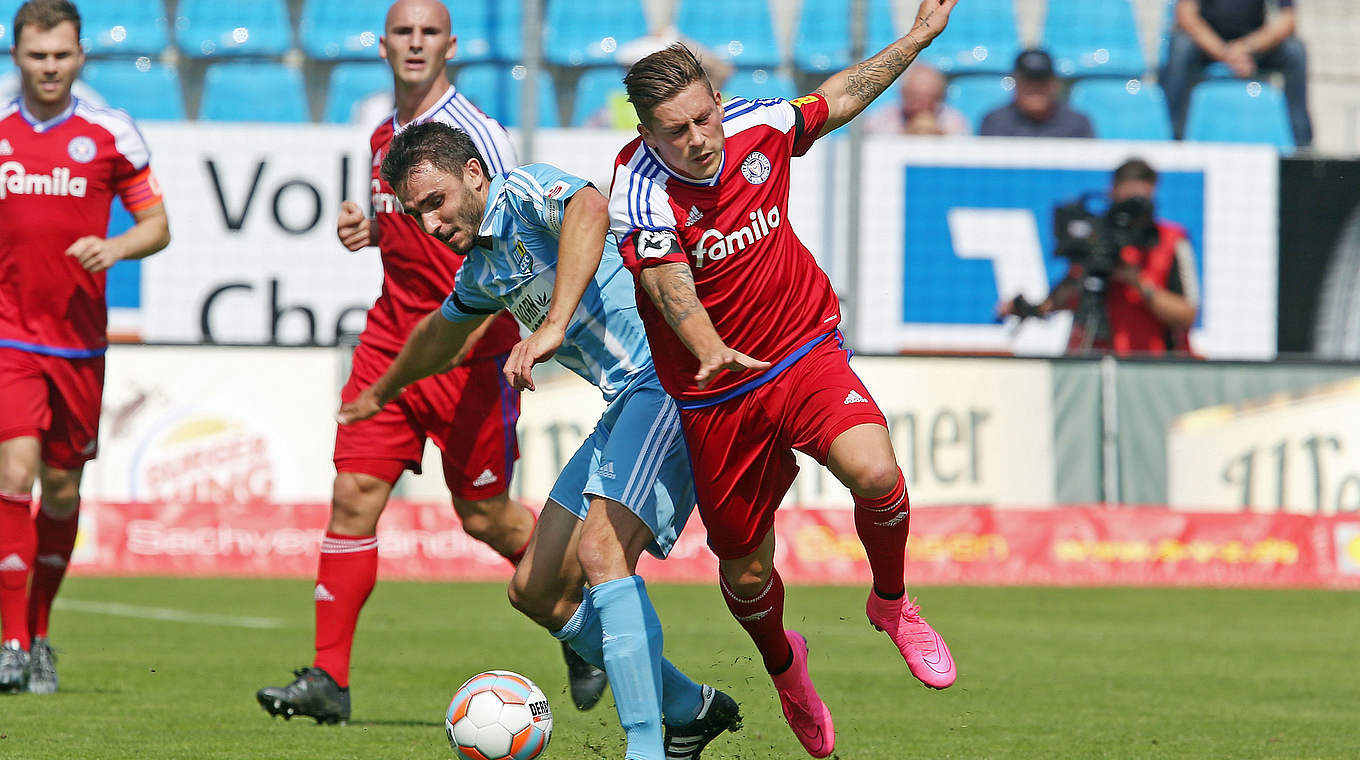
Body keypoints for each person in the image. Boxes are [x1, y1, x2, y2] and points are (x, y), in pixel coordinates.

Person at [607, 2, 960, 755]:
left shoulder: (759, 124)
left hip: (802, 349)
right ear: (647, 134)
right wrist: (707, 347)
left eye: (704, 118)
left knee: (875, 469)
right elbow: (671, 286)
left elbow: (842, 95)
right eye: (678, 130)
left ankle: (893, 604)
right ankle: (785, 667)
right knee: (744, 574)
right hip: (716, 394)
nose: (700, 139)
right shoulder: (638, 188)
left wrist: (917, 38)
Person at [255, 0, 605, 724]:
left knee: (484, 518)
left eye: (428, 33)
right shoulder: (382, 128)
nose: (414, 44)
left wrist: (528, 324)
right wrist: (371, 224)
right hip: (391, 337)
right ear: (382, 44)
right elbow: (420, 223)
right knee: (353, 495)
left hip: (467, 349)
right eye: (402, 32)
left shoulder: (478, 134)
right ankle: (329, 677)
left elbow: (510, 226)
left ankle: (572, 610)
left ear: (450, 45)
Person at [346, 121, 742, 760]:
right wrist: (379, 391)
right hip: (626, 402)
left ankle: (645, 749)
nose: (430, 223)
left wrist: (552, 325)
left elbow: (590, 205)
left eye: (436, 201)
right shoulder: (481, 270)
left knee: (602, 556)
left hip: (667, 381)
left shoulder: (524, 193)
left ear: (474, 173)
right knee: (534, 590)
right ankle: (685, 707)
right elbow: (437, 339)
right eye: (417, 213)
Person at [0, 0, 170, 694]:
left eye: (61, 55)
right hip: (10, 336)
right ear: (17, 56)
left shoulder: (110, 134)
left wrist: (115, 245)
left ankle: (39, 634)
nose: (49, 67)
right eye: (37, 55)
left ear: (80, 56)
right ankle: (10, 641)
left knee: (62, 493)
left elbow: (156, 225)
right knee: (15, 473)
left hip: (79, 346)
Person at [1001, 158, 1200, 356]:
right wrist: (1031, 309)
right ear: (1112, 192)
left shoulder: (1171, 240)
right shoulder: (1097, 238)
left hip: (1151, 366)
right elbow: (1067, 295)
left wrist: (1139, 283)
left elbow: (1187, 314)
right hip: (1094, 359)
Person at [1162, 0, 1311, 146]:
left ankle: (1300, 145)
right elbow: (1185, 15)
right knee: (1180, 46)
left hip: (1252, 44)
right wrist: (1225, 52)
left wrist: (1247, 47)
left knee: (1295, 51)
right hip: (1206, 43)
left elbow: (1288, 20)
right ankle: (1170, 137)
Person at [978, 48, 1094, 139]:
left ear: (1054, 84)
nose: (1035, 88)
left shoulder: (1077, 124)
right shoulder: (995, 123)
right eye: (1028, 81)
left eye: (1041, 80)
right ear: (1016, 83)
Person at [863, 63, 970, 136]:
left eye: (929, 98)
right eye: (915, 97)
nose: (922, 105)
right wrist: (908, 134)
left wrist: (939, 136)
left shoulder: (954, 121)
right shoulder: (880, 119)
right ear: (904, 94)